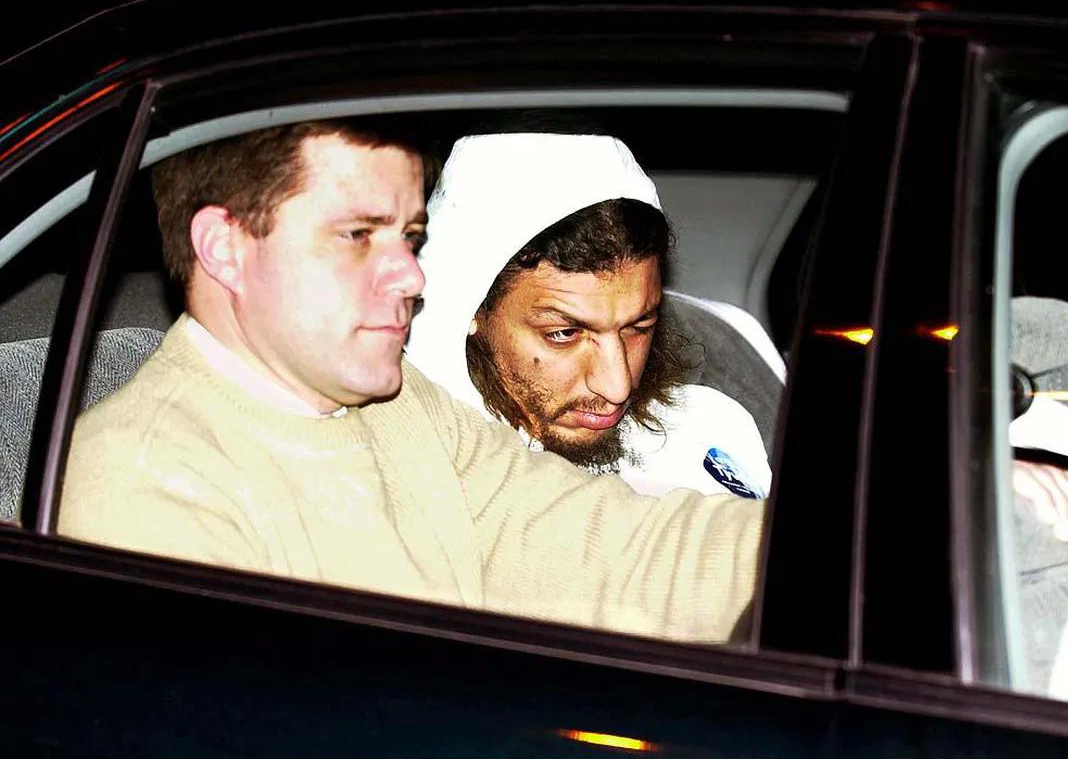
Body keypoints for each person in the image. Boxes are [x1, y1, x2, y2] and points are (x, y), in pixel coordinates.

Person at [58, 120, 764, 643]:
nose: (412, 276)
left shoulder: (399, 407)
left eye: (410, 236)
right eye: (358, 236)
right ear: (225, 248)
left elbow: (619, 550)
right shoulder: (146, 484)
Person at [406, 132, 770, 498]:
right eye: (564, 334)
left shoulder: (710, 424)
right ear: (472, 310)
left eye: (638, 327)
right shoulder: (423, 474)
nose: (617, 386)